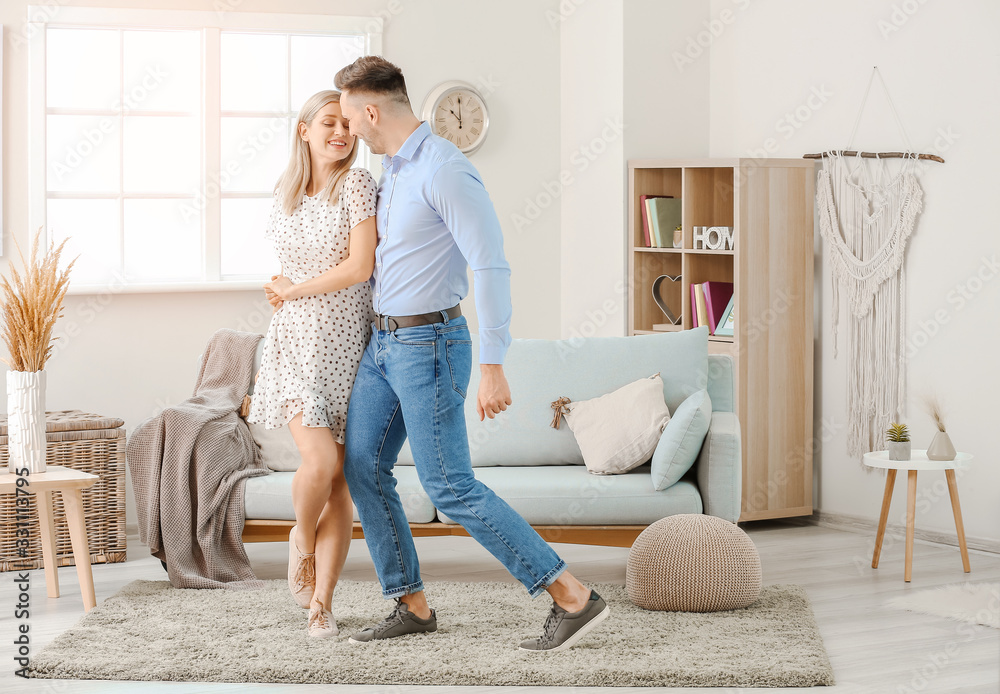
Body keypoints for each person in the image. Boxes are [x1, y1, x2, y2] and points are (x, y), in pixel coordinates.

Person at [334, 56, 610, 652]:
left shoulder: (444, 170)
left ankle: (572, 595)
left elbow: (490, 264)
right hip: (383, 343)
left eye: (351, 117)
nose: (348, 129)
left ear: (372, 111)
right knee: (362, 467)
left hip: (430, 344)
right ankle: (410, 604)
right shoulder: (392, 173)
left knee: (449, 486)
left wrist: (491, 364)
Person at [247, 89, 378, 638]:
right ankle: (301, 539)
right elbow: (284, 268)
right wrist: (279, 284)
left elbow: (360, 267)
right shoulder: (286, 191)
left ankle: (321, 603)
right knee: (319, 463)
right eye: (329, 123)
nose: (341, 133)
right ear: (303, 130)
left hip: (349, 346)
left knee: (342, 485)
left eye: (347, 124)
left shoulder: (359, 185)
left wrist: (293, 287)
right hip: (296, 345)